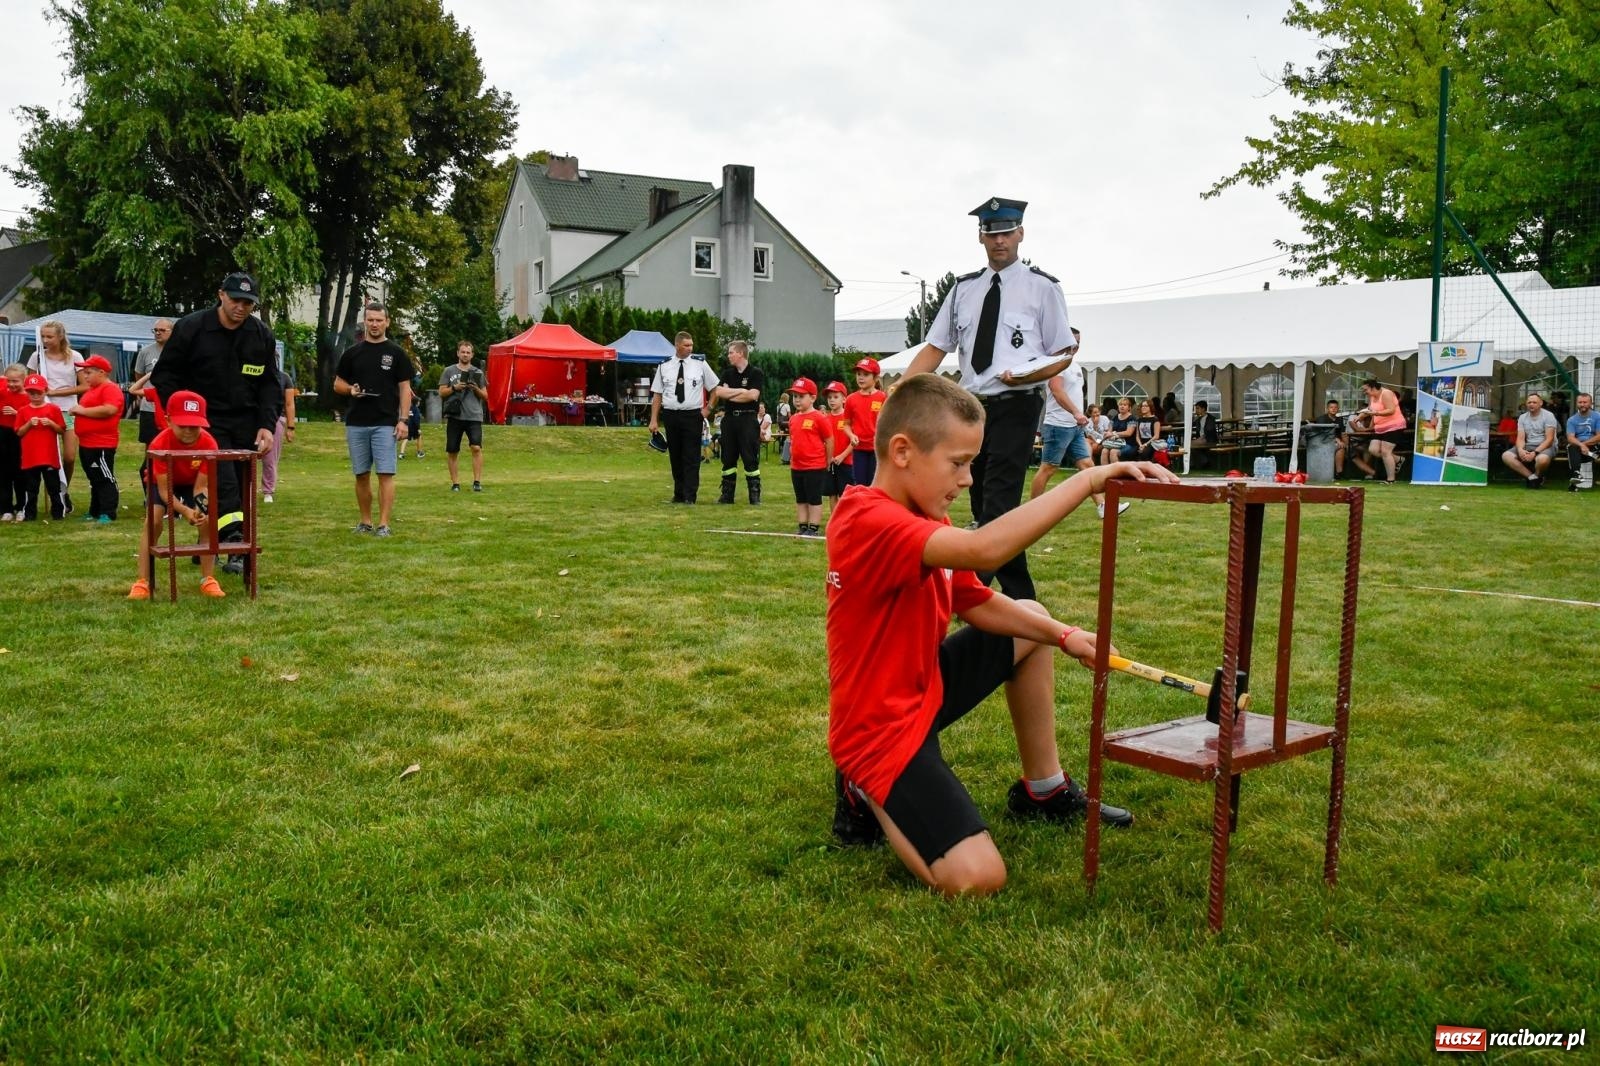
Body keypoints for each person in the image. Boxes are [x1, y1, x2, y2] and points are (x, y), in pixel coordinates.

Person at [826, 374, 1179, 894]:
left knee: (1029, 616)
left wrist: (1065, 635)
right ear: (902, 452)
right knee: (978, 878)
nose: (968, 479)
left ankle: (1044, 789)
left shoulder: (925, 517)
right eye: (958, 463)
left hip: (923, 688)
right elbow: (985, 551)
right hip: (878, 726)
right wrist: (1087, 481)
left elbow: (974, 599)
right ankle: (863, 786)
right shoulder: (867, 519)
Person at [902, 197, 1076, 601]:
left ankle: (964, 595)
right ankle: (1021, 600)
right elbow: (936, 347)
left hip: (1018, 403)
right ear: (980, 237)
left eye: (1007, 233)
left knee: (998, 503)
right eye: (992, 233)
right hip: (972, 408)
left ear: (1021, 234)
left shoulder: (1042, 288)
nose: (1000, 241)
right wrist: (903, 391)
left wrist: (1031, 373)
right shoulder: (963, 289)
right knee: (984, 505)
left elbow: (1063, 352)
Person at [149, 272, 281, 574]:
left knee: (241, 484)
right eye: (235, 300)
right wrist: (180, 417)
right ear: (221, 294)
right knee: (224, 482)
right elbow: (164, 376)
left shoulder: (261, 334)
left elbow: (270, 384)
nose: (241, 307)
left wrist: (267, 424)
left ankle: (205, 542)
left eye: (248, 303)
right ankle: (234, 544)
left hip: (246, 421)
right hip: (204, 423)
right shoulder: (191, 328)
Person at [127, 391, 226, 600]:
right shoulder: (159, 444)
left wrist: (199, 509)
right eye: (183, 425)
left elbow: (201, 487)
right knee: (153, 521)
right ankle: (142, 581)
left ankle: (208, 579)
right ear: (168, 420)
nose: (189, 431)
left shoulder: (209, 444)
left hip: (192, 483)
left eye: (194, 426)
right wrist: (184, 511)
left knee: (208, 521)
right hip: (161, 483)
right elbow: (164, 492)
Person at [333, 302, 413, 535]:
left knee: (385, 474)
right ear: (365, 322)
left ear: (387, 322)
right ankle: (365, 522)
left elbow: (405, 389)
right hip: (356, 422)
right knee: (361, 474)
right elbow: (337, 384)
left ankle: (384, 524)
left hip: (385, 423)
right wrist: (351, 390)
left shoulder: (397, 353)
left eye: (379, 320)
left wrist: (403, 420)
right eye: (370, 320)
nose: (375, 324)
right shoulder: (352, 353)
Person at [1029, 330, 1124, 519]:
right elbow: (1056, 390)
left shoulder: (1075, 366)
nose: (1076, 346)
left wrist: (1078, 417)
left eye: (1078, 342)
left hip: (1074, 427)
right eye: (1072, 341)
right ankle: (1031, 512)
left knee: (1087, 465)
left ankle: (1103, 506)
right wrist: (1076, 412)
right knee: (1048, 468)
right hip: (1058, 426)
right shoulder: (1056, 364)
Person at [647, 332, 719, 504]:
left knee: (691, 456)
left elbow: (715, 389)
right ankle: (678, 494)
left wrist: (707, 410)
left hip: (692, 415)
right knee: (675, 455)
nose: (690, 348)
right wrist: (653, 419)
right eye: (686, 345)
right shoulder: (664, 365)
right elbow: (657, 394)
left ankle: (690, 495)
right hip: (671, 414)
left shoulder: (700, 364)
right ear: (677, 345)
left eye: (691, 345)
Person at [25, 320, 84, 511]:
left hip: (68, 410)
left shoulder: (75, 356)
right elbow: (30, 383)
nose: (45, 340)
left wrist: (56, 392)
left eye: (49, 336)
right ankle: (46, 495)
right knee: (44, 457)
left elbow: (85, 385)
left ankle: (63, 490)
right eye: (43, 336)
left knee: (69, 457)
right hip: (44, 409)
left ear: (60, 336)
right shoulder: (37, 356)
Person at [69, 355, 123, 522]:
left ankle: (108, 511)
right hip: (87, 442)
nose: (85, 376)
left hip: (101, 443)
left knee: (104, 477)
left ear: (101, 372)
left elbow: (110, 409)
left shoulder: (110, 389)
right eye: (84, 372)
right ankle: (95, 510)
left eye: (88, 372)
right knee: (94, 478)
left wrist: (82, 411)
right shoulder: (93, 389)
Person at [713, 340, 765, 504]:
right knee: (728, 457)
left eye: (731, 352)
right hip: (729, 419)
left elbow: (752, 396)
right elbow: (719, 392)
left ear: (740, 353)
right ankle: (727, 494)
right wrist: (742, 391)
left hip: (748, 419)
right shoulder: (728, 373)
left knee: (750, 456)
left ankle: (754, 494)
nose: (728, 356)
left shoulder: (755, 373)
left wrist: (731, 393)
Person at [14, 373, 67, 520]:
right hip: (30, 457)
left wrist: (51, 423)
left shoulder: (53, 409)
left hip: (49, 456)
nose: (35, 396)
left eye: (38, 392)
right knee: (31, 488)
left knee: (53, 487)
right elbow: (19, 432)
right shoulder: (23, 411)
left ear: (45, 391)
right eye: (31, 393)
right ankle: (30, 514)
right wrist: (29, 424)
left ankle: (58, 512)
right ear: (27, 393)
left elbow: (61, 430)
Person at [786, 377, 834, 536]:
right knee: (801, 498)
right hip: (796, 466)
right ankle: (802, 525)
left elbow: (829, 439)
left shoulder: (819, 417)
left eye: (801, 396)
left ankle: (813, 527)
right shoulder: (793, 419)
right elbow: (793, 439)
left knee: (814, 498)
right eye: (795, 396)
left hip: (815, 466)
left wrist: (828, 460)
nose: (797, 400)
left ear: (813, 398)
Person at [439, 340, 487, 492]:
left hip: (474, 416)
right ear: (458, 353)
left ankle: (477, 481)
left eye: (468, 352)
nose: (465, 355)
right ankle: (455, 483)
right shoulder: (448, 371)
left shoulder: (478, 373)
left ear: (472, 355)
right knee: (452, 450)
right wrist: (454, 388)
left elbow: (485, 396)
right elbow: (441, 392)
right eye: (463, 352)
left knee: (476, 447)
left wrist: (475, 389)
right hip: (455, 416)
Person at [1347, 379, 1407, 483]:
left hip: (1394, 426)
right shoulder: (1372, 396)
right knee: (1373, 449)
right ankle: (1398, 459)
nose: (1364, 392)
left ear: (1373, 387)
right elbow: (1369, 409)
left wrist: (1376, 413)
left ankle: (1391, 480)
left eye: (1365, 389)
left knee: (1385, 452)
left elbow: (1391, 410)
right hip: (1380, 427)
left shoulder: (1386, 393)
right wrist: (1360, 416)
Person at [841, 356, 887, 486]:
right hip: (859, 449)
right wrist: (851, 435)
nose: (861, 378)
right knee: (860, 485)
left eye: (866, 375)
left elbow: (888, 423)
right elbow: (846, 424)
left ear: (875, 378)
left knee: (875, 485)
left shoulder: (883, 397)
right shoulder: (851, 399)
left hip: (877, 449)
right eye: (858, 374)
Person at [1499, 392, 1559, 489]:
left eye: (1534, 402)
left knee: (1542, 460)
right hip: (1528, 445)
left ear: (1541, 403)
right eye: (1529, 402)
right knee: (1506, 456)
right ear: (1526, 404)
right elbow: (1520, 438)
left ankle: (1537, 475)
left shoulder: (1548, 416)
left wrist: (1535, 453)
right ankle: (1532, 477)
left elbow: (1549, 439)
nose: (1531, 404)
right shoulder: (1522, 417)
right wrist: (1520, 450)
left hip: (1545, 446)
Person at [129, 319, 173, 445]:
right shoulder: (145, 351)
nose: (158, 333)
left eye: (162, 330)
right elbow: (139, 377)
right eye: (155, 330)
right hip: (149, 407)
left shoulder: (180, 351)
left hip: (171, 407)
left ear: (172, 332)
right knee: (151, 445)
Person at [260, 362, 297, 504]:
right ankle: (246, 488)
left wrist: (290, 427)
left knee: (270, 457)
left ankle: (268, 491)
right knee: (247, 456)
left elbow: (289, 403)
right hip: (253, 419)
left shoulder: (284, 378)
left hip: (276, 419)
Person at [0, 364, 27, 521]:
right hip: (3, 434)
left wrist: (17, 413)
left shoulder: (29, 396)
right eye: (9, 380)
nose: (11, 384)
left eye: (15, 381)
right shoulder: (3, 391)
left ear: (24, 380)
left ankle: (22, 506)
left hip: (20, 435)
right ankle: (6, 508)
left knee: (20, 473)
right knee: (4, 473)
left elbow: (32, 415)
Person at [823, 380, 853, 514]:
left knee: (846, 495)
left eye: (835, 397)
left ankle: (846, 520)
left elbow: (854, 441)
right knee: (832, 493)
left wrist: (842, 456)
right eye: (829, 397)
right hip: (830, 463)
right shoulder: (825, 419)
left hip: (846, 463)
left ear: (844, 399)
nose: (832, 400)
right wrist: (827, 458)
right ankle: (834, 520)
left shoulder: (848, 419)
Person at [1565, 392, 1598, 491]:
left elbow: (1599, 436)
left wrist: (1583, 444)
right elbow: (1570, 438)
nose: (1582, 404)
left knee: (1574, 448)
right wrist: (1581, 446)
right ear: (1576, 403)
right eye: (1580, 402)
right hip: (1580, 452)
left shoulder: (1597, 417)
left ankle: (1574, 482)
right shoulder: (1572, 420)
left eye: (1585, 402)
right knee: (1571, 446)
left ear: (1591, 403)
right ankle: (1576, 475)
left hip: (1595, 452)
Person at [1099, 397, 1137, 464]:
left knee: (1113, 451)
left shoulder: (1132, 418)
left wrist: (1114, 434)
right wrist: (1107, 434)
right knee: (1104, 451)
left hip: (1128, 444)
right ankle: (1105, 470)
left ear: (1129, 408)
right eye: (1120, 404)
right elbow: (1109, 431)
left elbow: (1129, 433)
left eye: (1125, 405)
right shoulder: (1115, 417)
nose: (1122, 406)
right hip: (1114, 442)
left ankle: (1116, 470)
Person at [1316, 399, 1348, 477]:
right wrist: (1337, 440)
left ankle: (1338, 473)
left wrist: (1346, 444)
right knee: (1340, 447)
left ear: (1338, 409)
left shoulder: (1339, 420)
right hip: (1323, 442)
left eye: (1335, 407)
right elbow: (1322, 434)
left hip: (1337, 443)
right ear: (1327, 409)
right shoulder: (1322, 419)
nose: (1333, 409)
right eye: (1331, 407)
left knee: (1342, 447)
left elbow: (1343, 433)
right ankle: (1337, 472)